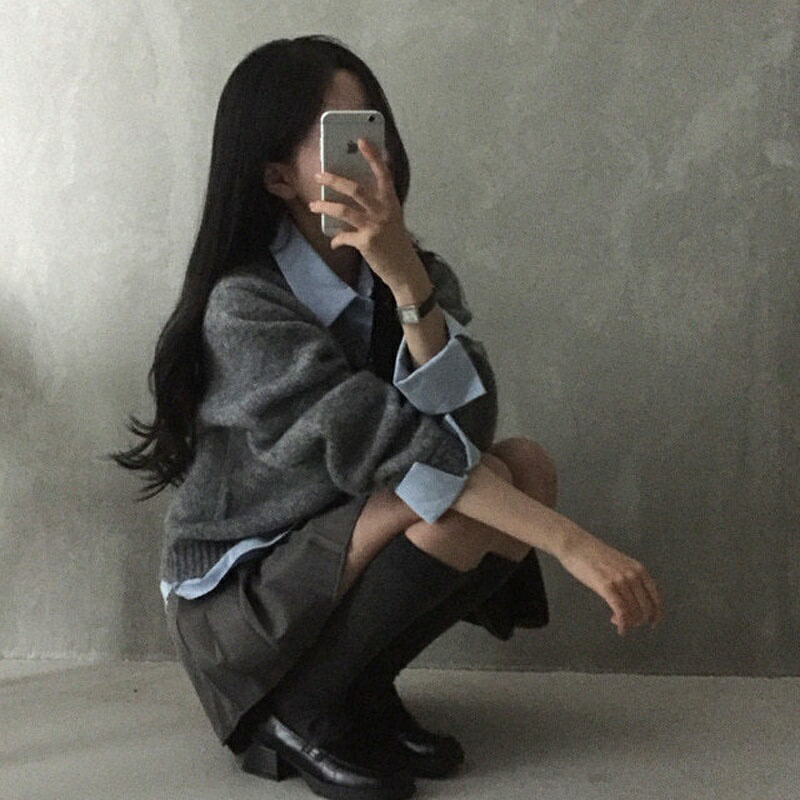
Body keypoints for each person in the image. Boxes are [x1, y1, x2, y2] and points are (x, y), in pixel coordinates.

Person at [112, 34, 664, 800]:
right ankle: (298, 710)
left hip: (339, 538)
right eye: (343, 138)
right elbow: (412, 455)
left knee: (523, 469)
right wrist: (574, 545)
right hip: (242, 598)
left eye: (375, 129)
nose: (373, 159)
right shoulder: (246, 307)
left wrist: (406, 284)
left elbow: (465, 434)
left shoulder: (409, 272)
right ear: (277, 176)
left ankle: (359, 690)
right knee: (447, 500)